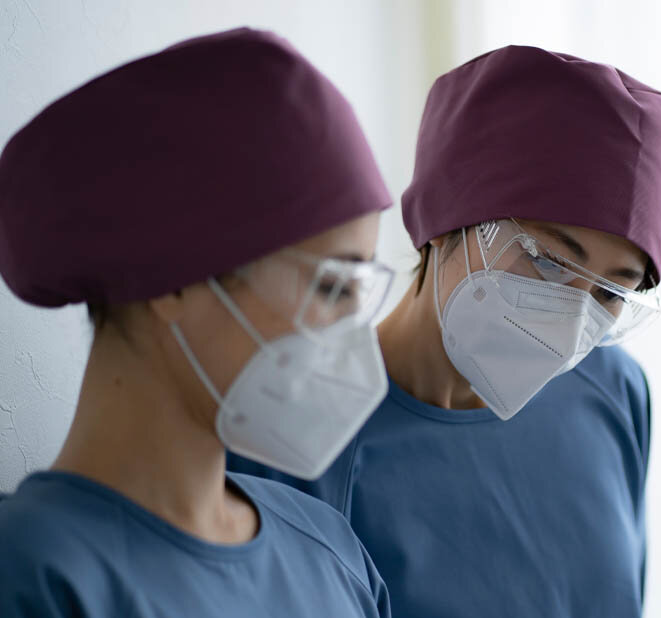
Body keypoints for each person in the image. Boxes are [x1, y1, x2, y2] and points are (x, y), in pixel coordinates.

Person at [230, 45, 661, 617]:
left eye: (610, 293)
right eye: (548, 263)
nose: (571, 322)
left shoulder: (613, 394)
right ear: (446, 220)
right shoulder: (293, 440)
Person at [0, 28, 394, 617]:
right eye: (332, 285)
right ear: (175, 280)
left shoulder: (330, 550)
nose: (354, 337)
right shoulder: (32, 572)